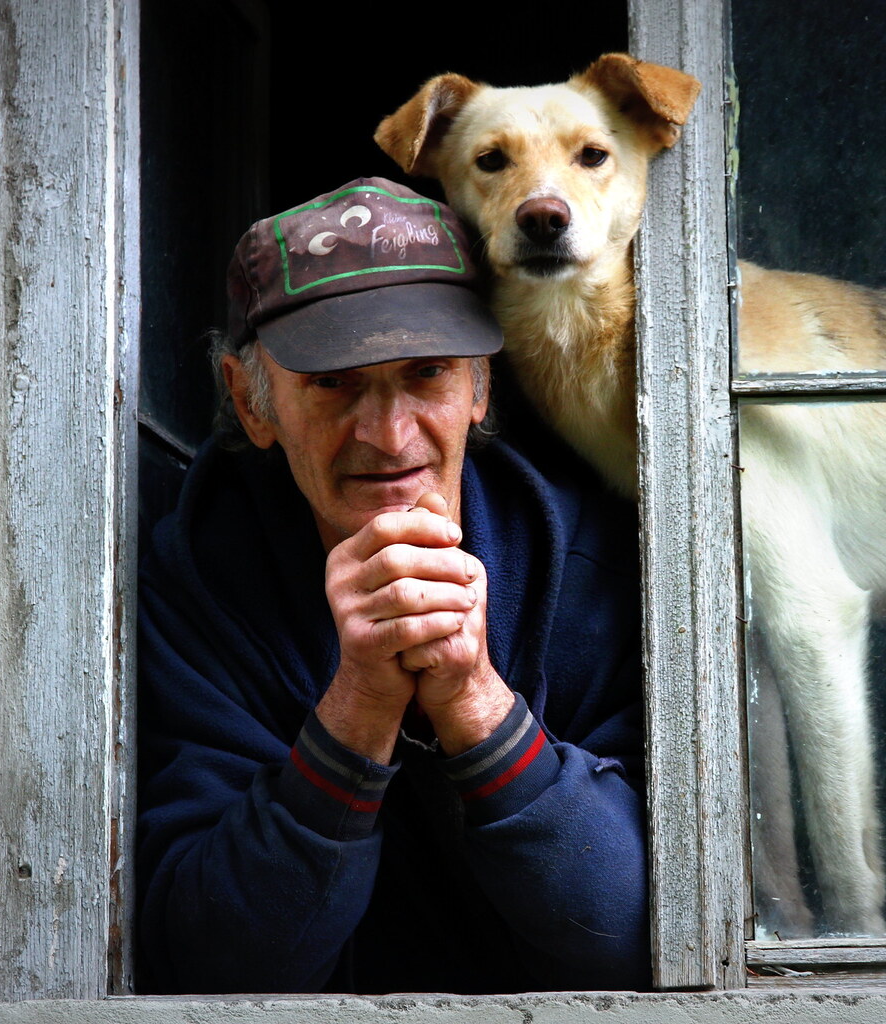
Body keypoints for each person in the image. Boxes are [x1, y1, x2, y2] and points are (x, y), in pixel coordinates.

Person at [136, 177, 648, 994]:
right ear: (251, 402)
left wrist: (473, 695)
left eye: (427, 372)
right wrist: (361, 703)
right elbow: (213, 965)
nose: (389, 435)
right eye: (332, 383)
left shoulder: (589, 564)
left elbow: (634, 934)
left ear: (481, 385)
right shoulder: (199, 586)